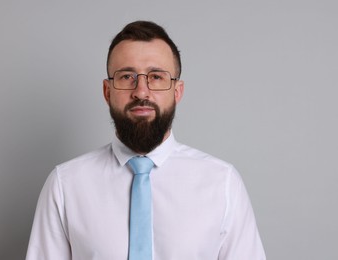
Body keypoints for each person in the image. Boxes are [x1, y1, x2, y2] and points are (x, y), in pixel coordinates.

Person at [26, 20, 266, 260]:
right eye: (127, 76)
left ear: (177, 91)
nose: (141, 92)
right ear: (107, 91)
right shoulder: (65, 185)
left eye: (157, 77)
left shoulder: (222, 184)